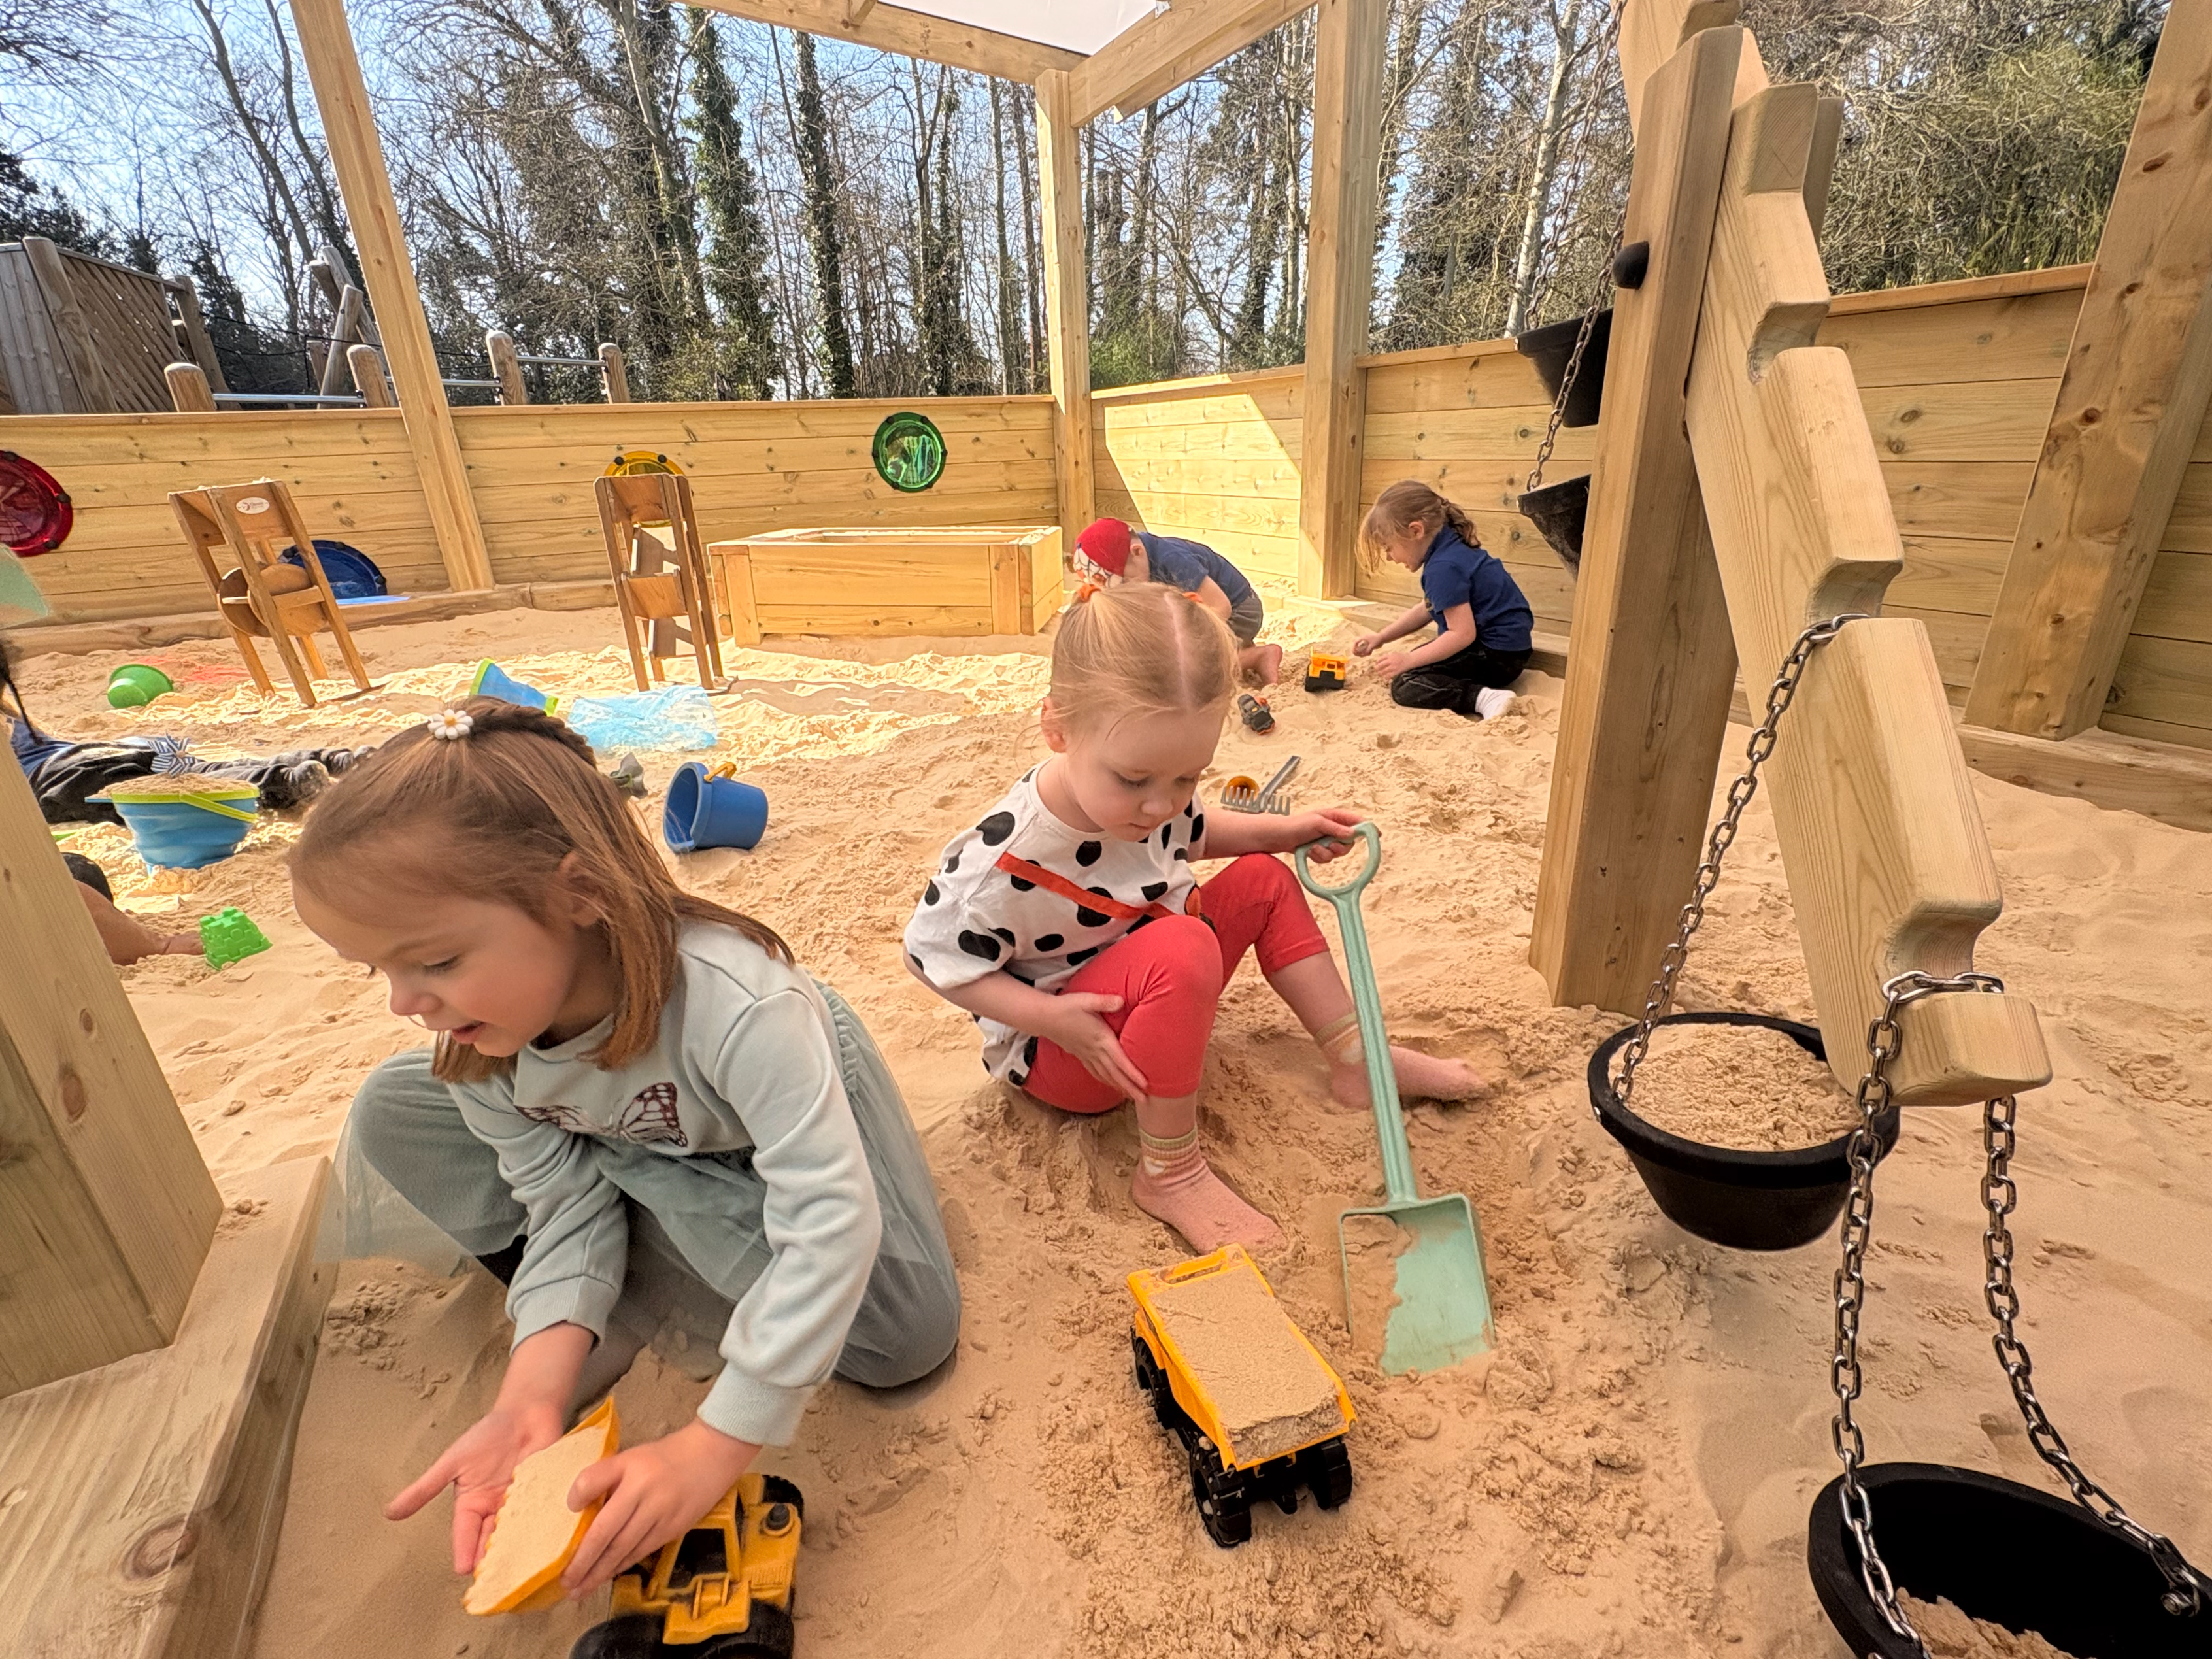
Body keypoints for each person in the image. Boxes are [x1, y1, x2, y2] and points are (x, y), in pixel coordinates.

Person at [290, 697, 960, 1600]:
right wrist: (531, 1391)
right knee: (393, 1106)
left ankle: (629, 1243)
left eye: (436, 963)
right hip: (630, 1136)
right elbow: (561, 1205)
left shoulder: (743, 1008)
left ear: (581, 893)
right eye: (382, 971)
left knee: (903, 1338)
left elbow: (830, 1217)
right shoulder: (486, 1050)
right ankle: (604, 1274)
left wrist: (717, 1441)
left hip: (743, 1130)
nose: (403, 1004)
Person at [903, 584, 1484, 1256]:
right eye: (1135, 781)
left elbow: (1191, 831)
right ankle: (1170, 1172)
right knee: (1182, 946)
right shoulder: (1005, 859)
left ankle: (1357, 1060)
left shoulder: (1152, 784)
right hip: (1072, 1054)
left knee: (1264, 877)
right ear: (1058, 727)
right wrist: (1050, 1019)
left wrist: (1286, 830)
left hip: (1145, 989)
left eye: (1187, 777)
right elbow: (930, 957)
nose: (1159, 805)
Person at [0, 641, 360, 824]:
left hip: (63, 777)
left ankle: (284, 782)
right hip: (106, 750)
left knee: (177, 795)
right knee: (199, 773)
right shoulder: (9, 711)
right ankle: (335, 760)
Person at [1353, 480, 1535, 719]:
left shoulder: (1443, 567)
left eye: (1388, 547)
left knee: (1407, 682)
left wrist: (1408, 660)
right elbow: (1428, 607)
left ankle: (1483, 698)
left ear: (1415, 531)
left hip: (1497, 657)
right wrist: (1382, 637)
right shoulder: (1451, 549)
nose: (1390, 557)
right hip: (1509, 650)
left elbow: (1462, 634)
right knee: (1417, 661)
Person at [1073, 516, 1284, 686]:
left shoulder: (1173, 560)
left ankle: (1258, 656)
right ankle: (1236, 652)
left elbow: (1221, 607)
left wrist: (1185, 640)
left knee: (1190, 667)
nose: (1128, 591)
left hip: (1240, 610)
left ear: (1137, 552)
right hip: (1198, 608)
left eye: (1126, 583)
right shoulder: (1137, 561)